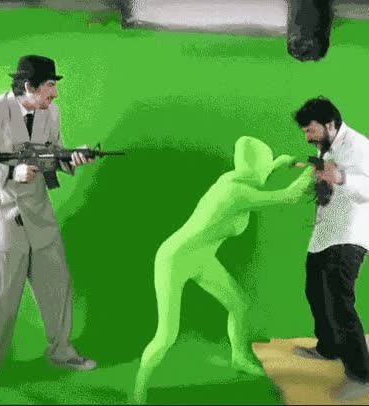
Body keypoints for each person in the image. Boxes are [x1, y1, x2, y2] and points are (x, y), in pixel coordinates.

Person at [132, 135, 313, 404]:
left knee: (239, 304)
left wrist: (278, 164)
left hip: (203, 258)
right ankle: (138, 393)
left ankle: (239, 357)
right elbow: (290, 196)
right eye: (263, 166)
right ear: (253, 168)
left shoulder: (234, 179)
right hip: (174, 259)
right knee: (166, 336)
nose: (264, 171)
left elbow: (258, 174)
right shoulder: (236, 193)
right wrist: (314, 170)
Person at [0, 55, 97, 398]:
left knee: (57, 284)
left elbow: (52, 153)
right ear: (29, 86)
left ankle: (61, 351)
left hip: (39, 214)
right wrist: (11, 172)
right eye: (50, 85)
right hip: (0, 217)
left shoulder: (50, 113)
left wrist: (71, 158)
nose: (55, 93)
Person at [293, 96, 369, 401]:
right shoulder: (326, 147)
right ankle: (328, 347)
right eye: (304, 132)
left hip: (349, 234)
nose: (307, 137)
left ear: (330, 124)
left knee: (339, 300)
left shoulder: (359, 146)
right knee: (315, 291)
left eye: (310, 130)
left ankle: (361, 374)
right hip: (325, 233)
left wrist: (339, 176)